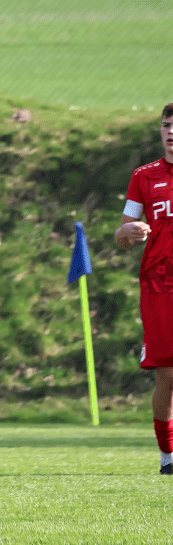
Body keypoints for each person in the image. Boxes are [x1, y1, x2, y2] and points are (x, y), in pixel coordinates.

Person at [117, 102, 173, 476]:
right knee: (167, 373)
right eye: (167, 126)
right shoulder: (145, 176)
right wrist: (128, 233)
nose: (172, 132)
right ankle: (169, 455)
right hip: (159, 286)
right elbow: (122, 234)